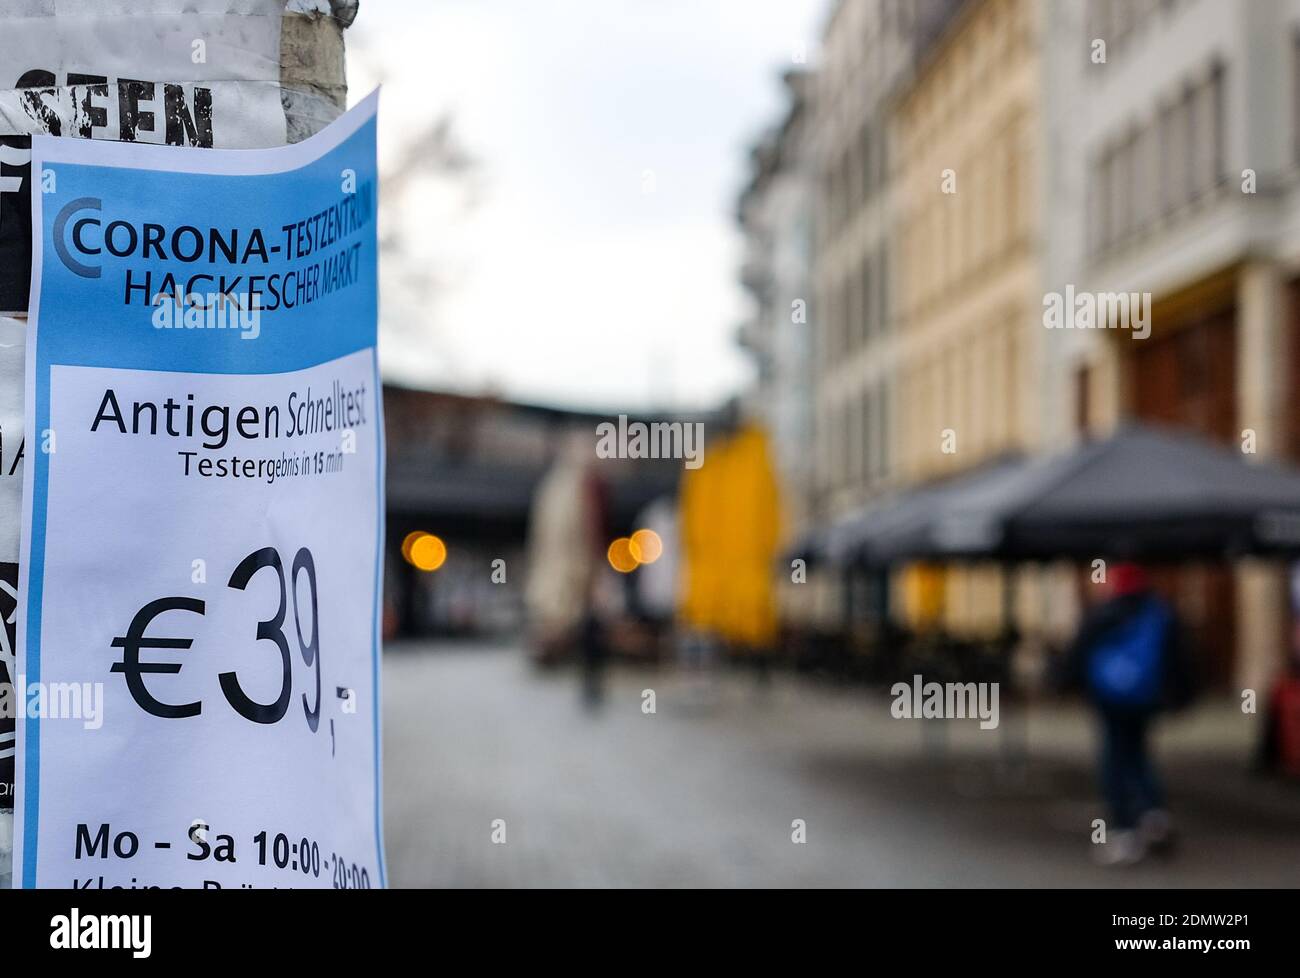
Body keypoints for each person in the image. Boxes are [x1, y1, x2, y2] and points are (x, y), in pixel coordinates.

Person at [1059, 562, 1195, 866]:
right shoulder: (1159, 611)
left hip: (1109, 700)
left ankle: (1124, 830)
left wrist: (1066, 685)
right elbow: (1181, 658)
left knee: (1114, 758)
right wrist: (1180, 698)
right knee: (1138, 751)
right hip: (1145, 699)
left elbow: (1077, 654)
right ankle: (1153, 812)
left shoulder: (1102, 613)